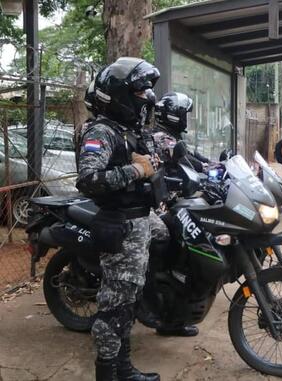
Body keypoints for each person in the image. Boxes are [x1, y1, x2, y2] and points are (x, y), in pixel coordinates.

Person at [76, 57, 161, 381]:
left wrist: (149, 164)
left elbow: (151, 162)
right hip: (121, 227)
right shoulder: (102, 131)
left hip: (139, 223)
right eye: (139, 92)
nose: (145, 98)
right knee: (114, 309)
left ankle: (124, 370)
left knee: (130, 302)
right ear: (121, 94)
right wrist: (136, 170)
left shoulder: (129, 131)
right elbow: (89, 179)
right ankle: (108, 374)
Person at [147, 91, 201, 337]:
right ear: (173, 115)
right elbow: (186, 159)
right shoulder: (160, 137)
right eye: (183, 114)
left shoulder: (171, 135)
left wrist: (218, 165)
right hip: (156, 205)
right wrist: (206, 169)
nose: (186, 119)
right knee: (169, 235)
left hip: (170, 199)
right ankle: (156, 284)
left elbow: (193, 158)